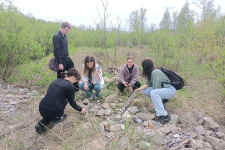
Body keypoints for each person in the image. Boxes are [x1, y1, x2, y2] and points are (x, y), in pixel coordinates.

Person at [35, 68, 86, 134]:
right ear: (73, 77)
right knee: (66, 99)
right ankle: (59, 118)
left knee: (49, 115)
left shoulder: (56, 80)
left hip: (42, 108)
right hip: (55, 110)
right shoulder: (70, 86)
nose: (76, 82)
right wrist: (80, 109)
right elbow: (72, 102)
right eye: (76, 80)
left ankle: (40, 124)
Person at [136, 59, 176, 125]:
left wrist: (153, 103)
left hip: (170, 90)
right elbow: (148, 83)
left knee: (153, 92)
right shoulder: (151, 72)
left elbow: (157, 88)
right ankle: (162, 101)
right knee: (145, 91)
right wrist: (139, 89)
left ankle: (164, 116)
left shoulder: (155, 72)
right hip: (163, 89)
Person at [53, 22, 79, 91]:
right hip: (61, 59)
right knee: (61, 75)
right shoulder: (56, 36)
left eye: (69, 30)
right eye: (67, 30)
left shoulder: (65, 36)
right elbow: (56, 51)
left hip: (67, 58)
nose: (68, 32)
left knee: (74, 72)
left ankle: (76, 88)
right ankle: (58, 90)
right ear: (62, 28)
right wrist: (60, 63)